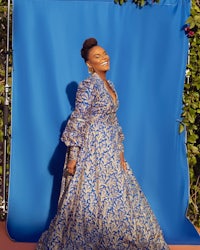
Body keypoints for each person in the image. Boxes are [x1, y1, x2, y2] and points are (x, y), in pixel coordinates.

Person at [36, 38, 169, 249]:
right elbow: (79, 119)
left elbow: (114, 121)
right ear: (89, 64)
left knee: (117, 194)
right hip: (93, 148)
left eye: (104, 53)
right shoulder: (88, 86)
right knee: (89, 196)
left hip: (111, 147)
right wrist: (73, 158)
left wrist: (121, 153)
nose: (104, 58)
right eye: (97, 57)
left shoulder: (111, 85)